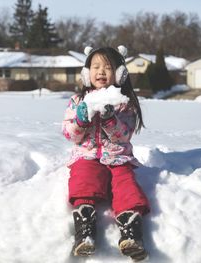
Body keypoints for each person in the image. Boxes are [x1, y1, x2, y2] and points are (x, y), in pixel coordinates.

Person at [62, 45, 150, 261]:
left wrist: (111, 119)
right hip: (87, 155)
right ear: (86, 73)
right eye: (96, 67)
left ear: (120, 74)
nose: (101, 72)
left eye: (108, 67)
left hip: (118, 157)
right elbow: (70, 134)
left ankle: (131, 232)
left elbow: (124, 136)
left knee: (126, 185)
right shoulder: (77, 101)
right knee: (83, 180)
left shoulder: (123, 104)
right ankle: (85, 230)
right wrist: (80, 121)